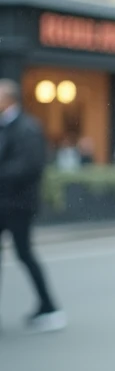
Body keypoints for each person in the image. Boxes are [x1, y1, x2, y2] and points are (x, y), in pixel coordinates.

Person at [0, 79, 66, 332]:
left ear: (9, 99)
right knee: (23, 253)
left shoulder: (28, 127)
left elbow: (30, 166)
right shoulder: (6, 127)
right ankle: (47, 305)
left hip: (17, 205)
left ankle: (49, 306)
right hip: (4, 202)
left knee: (24, 253)